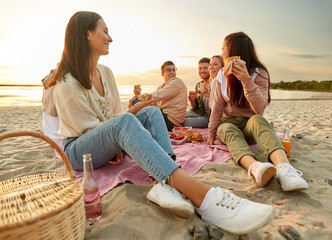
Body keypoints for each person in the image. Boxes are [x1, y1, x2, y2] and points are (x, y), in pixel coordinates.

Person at [48, 12, 275, 235]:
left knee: (152, 113)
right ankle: (204, 197)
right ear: (87, 35)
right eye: (105, 31)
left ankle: (163, 183)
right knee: (125, 122)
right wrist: (115, 142)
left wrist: (115, 139)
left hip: (107, 140)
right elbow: (88, 128)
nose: (110, 38)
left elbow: (116, 113)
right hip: (79, 150)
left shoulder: (106, 73)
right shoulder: (66, 81)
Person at [207, 32, 308, 191]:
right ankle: (255, 167)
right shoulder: (222, 76)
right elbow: (218, 106)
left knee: (259, 120)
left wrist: (246, 80)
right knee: (225, 128)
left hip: (250, 124)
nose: (221, 53)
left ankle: (285, 170)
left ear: (234, 51)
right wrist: (211, 133)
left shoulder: (259, 73)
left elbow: (259, 109)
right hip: (229, 123)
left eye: (223, 49)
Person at [128, 61, 187, 131]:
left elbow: (158, 95)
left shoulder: (177, 82)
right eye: (169, 70)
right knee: (136, 103)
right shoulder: (161, 87)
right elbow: (153, 103)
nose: (172, 72)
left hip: (171, 120)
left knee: (136, 104)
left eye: (174, 70)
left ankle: (128, 120)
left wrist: (139, 98)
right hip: (163, 115)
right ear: (162, 73)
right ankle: (129, 120)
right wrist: (140, 98)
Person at [182, 58, 211, 128]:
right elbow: (195, 107)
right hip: (201, 113)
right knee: (178, 117)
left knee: (183, 122)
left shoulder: (215, 83)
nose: (202, 71)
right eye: (200, 68)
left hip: (210, 118)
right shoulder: (199, 85)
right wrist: (191, 101)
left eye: (205, 68)